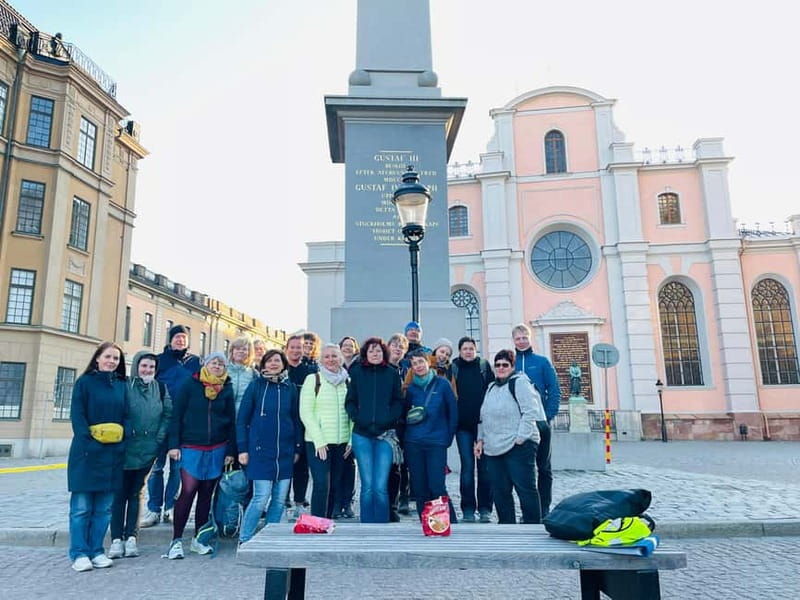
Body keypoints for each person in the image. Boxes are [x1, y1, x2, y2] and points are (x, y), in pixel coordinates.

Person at [165, 352, 236, 559]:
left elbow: (231, 420)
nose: (217, 366)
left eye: (221, 363)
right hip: (191, 446)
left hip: (217, 447)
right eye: (214, 362)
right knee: (188, 491)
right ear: (205, 364)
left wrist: (231, 450)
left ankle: (199, 539)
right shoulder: (190, 384)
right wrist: (173, 445)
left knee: (206, 494)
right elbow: (177, 415)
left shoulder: (226, 387)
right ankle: (176, 541)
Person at [67, 342, 128, 572]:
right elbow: (78, 416)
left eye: (116, 358)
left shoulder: (121, 385)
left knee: (104, 509)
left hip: (113, 455)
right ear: (97, 358)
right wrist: (90, 444)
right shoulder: (84, 383)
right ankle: (79, 553)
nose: (112, 361)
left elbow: (127, 415)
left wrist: (123, 441)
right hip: (86, 454)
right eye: (108, 357)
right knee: (81, 509)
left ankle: (96, 550)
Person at [108, 351, 171, 560]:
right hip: (125, 449)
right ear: (136, 366)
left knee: (136, 493)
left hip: (148, 450)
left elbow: (167, 413)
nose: (147, 370)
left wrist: (159, 438)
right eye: (144, 366)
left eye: (151, 367)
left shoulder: (160, 388)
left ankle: (131, 537)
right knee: (119, 494)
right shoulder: (125, 386)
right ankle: (116, 538)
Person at [237, 349, 302, 543]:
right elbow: (242, 420)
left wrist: (297, 447)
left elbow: (296, 420)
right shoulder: (256, 386)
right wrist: (242, 448)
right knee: (261, 497)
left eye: (277, 360)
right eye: (270, 360)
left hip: (285, 451)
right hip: (260, 451)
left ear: (283, 364)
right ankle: (245, 538)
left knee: (280, 500)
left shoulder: (290, 388)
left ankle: (269, 538)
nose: (274, 364)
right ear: (264, 364)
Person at [475, 350, 545, 524]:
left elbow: (531, 411)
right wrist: (480, 440)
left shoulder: (520, 383)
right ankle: (506, 527)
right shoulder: (491, 387)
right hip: (493, 447)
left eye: (505, 365)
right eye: (497, 365)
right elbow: (483, 416)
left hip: (519, 445)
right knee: (500, 491)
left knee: (525, 489)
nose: (501, 368)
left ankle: (532, 526)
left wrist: (521, 437)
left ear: (512, 367)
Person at [141, 325, 201, 528]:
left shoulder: (195, 363)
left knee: (177, 469)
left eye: (184, 337)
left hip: (183, 423)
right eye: (177, 337)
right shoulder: (160, 361)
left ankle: (170, 507)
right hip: (159, 421)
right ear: (170, 339)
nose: (180, 340)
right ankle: (153, 509)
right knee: (156, 468)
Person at [345, 337, 404, 523]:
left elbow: (398, 402)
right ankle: (367, 526)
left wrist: (388, 419)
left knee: (380, 486)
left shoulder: (392, 374)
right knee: (368, 485)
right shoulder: (357, 372)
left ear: (383, 353)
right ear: (366, 354)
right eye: (371, 351)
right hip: (362, 435)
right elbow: (350, 402)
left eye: (378, 350)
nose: (375, 354)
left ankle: (381, 526)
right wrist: (358, 418)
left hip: (385, 435)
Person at [512, 323, 561, 518]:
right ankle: (529, 509)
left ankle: (544, 507)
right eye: (518, 338)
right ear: (513, 340)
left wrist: (547, 416)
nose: (521, 341)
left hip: (541, 423)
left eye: (524, 338)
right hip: (519, 425)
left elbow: (554, 390)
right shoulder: (510, 363)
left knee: (544, 467)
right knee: (524, 469)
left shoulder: (542, 362)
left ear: (529, 338)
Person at [403, 350, 458, 521]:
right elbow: (404, 416)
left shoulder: (442, 384)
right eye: (414, 364)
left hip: (436, 442)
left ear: (428, 362)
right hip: (414, 443)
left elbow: (453, 412)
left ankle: (449, 523)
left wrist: (447, 438)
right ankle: (426, 524)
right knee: (420, 489)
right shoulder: (411, 389)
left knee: (437, 486)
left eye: (421, 361)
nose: (418, 366)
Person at [300, 344, 352, 518]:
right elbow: (306, 412)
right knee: (322, 484)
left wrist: (351, 440)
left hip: (341, 443)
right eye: (327, 356)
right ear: (321, 360)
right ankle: (317, 522)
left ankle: (327, 521)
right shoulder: (313, 380)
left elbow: (353, 412)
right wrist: (319, 440)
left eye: (334, 356)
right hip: (318, 442)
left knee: (334, 485)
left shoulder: (348, 381)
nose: (331, 360)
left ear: (341, 359)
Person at [450, 336, 495, 523]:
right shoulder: (454, 368)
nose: (468, 352)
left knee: (484, 469)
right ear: (460, 351)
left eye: (471, 348)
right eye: (465, 349)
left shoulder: (484, 367)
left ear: (475, 350)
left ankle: (485, 509)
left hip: (483, 426)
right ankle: (468, 509)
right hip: (462, 427)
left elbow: (492, 393)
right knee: (467, 467)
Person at [285, 333, 317, 518]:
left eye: (299, 347)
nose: (296, 350)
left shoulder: (309, 372)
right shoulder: (282, 369)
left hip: (304, 423)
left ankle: (299, 503)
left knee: (301, 466)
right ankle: (282, 502)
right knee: (284, 465)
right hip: (284, 423)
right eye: (293, 347)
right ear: (287, 349)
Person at [386, 332, 411, 518]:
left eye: (401, 347)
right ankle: (385, 504)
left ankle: (399, 502)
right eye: (394, 345)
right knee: (386, 466)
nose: (397, 349)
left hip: (402, 424)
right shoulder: (382, 368)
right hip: (385, 424)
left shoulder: (406, 371)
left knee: (400, 466)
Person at [227, 336, 255, 414]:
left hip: (244, 416)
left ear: (249, 353)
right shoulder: (222, 370)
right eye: (237, 348)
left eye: (244, 349)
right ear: (232, 351)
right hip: (224, 416)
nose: (241, 351)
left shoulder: (254, 374)